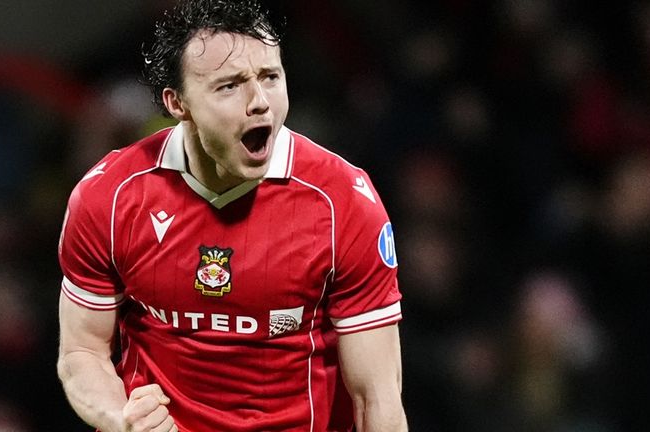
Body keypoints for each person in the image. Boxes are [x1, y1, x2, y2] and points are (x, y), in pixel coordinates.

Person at [56, 1, 407, 431]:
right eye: (229, 86)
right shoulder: (110, 196)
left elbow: (377, 397)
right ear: (177, 102)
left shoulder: (342, 203)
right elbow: (82, 351)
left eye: (270, 77)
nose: (260, 103)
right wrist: (122, 419)